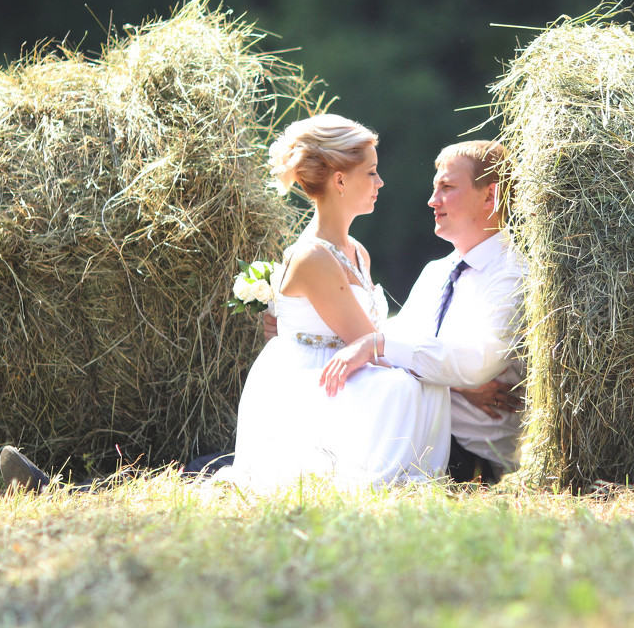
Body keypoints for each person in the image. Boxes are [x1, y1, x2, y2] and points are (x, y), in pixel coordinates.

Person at [211, 114, 452, 490]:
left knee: (425, 380)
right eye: (371, 172)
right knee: (403, 386)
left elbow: (373, 340)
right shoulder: (314, 257)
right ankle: (382, 478)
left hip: (348, 369)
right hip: (313, 382)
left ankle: (411, 472)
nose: (380, 182)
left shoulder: (357, 251)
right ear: (340, 179)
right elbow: (370, 342)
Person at [320, 140, 525, 483]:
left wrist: (377, 344)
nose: (433, 201)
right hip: (413, 426)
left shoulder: (513, 275)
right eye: (435, 189)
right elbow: (402, 342)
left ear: (491, 196)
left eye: (447, 188)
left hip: (465, 454)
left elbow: (476, 362)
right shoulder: (437, 271)